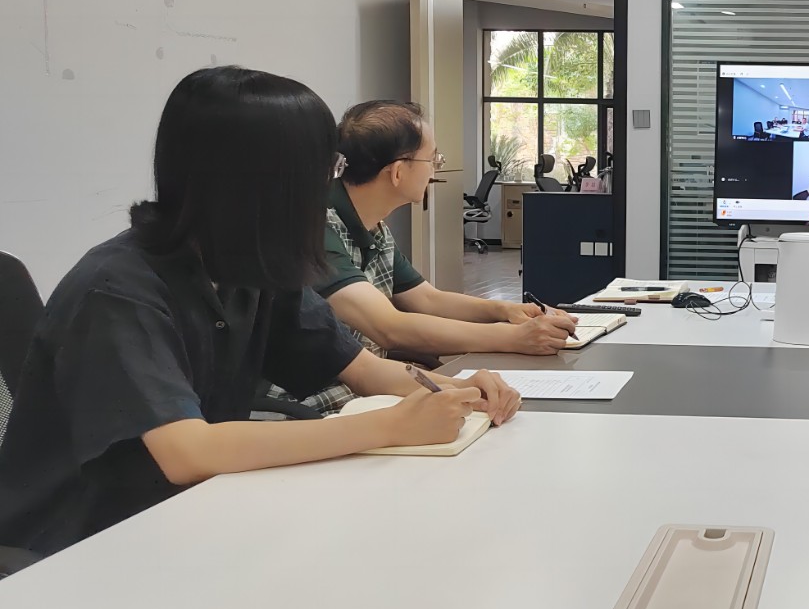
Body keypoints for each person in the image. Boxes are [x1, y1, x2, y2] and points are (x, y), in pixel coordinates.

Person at [0, 67, 519, 558]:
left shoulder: (251, 267)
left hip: (194, 513)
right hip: (80, 544)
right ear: (262, 183)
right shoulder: (117, 290)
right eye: (327, 170)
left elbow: (362, 370)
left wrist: (459, 389)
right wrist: (390, 426)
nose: (329, 188)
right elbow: (187, 452)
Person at [280, 100, 578, 414]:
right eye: (433, 158)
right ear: (398, 172)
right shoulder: (317, 228)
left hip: (367, 394)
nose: (436, 168)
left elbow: (427, 299)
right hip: (314, 407)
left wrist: (505, 310)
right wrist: (513, 337)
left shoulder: (373, 226)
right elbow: (389, 327)